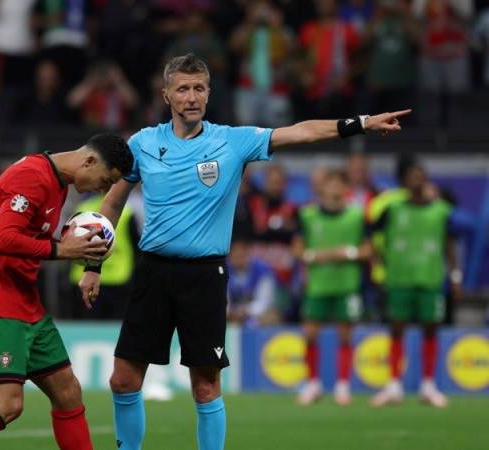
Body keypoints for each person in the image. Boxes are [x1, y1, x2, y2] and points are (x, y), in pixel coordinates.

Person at [78, 53, 410, 450]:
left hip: (204, 277)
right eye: (182, 88)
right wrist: (93, 265)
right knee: (124, 379)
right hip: (153, 273)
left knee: (205, 386)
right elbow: (111, 205)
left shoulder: (231, 141)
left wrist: (361, 124)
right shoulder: (143, 144)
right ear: (166, 94)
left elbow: (299, 132)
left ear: (208, 93)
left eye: (199, 88)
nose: (191, 97)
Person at [0, 133, 133, 450]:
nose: (103, 190)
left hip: (25, 303)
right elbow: (1, 240)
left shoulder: (56, 182)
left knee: (68, 392)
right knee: (8, 404)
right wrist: (62, 250)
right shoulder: (31, 177)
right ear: (89, 161)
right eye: (105, 180)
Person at [370, 158, 460, 408]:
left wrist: (455, 275)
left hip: (430, 279)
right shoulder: (392, 210)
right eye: (412, 174)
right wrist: (378, 269)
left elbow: (449, 245)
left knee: (430, 328)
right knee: (396, 329)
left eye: (421, 173)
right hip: (399, 279)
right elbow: (371, 240)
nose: (418, 178)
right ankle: (393, 385)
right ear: (403, 181)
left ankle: (428, 385)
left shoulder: (441, 210)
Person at [294, 169, 371, 406]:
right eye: (331, 183)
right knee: (309, 334)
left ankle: (343, 386)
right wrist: (315, 256)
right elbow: (297, 250)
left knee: (346, 336)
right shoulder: (307, 215)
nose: (335, 188)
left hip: (347, 284)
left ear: (346, 188)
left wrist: (347, 253)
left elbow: (368, 251)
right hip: (317, 284)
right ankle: (313, 384)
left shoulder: (357, 215)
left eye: (340, 183)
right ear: (322, 188)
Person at [226, 237, 278, 327]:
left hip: (257, 313)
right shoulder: (225, 271)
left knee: (269, 317)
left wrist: (246, 310)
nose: (238, 259)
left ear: (248, 253)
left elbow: (264, 302)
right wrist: (231, 311)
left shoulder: (262, 270)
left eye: (242, 255)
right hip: (233, 314)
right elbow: (224, 299)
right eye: (235, 256)